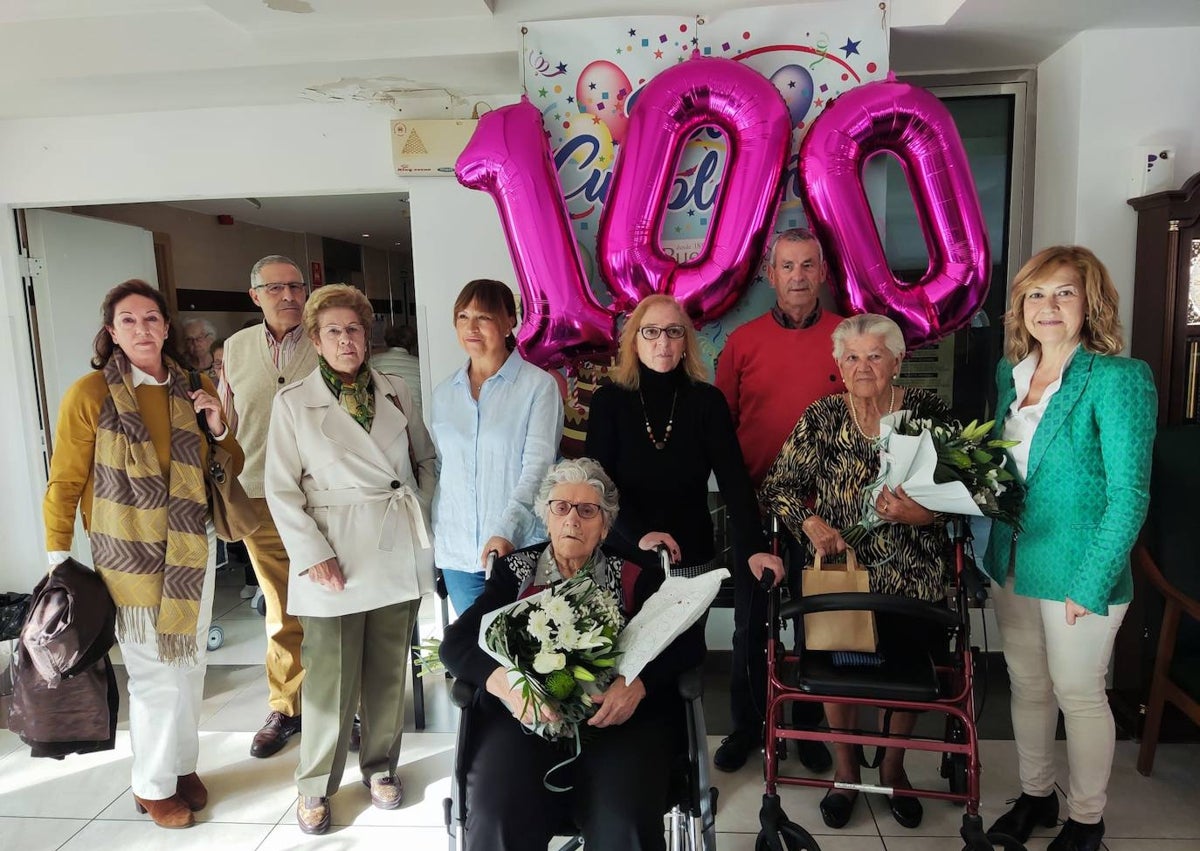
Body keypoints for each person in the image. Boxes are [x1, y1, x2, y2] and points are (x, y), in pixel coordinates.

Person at [43, 279, 243, 829]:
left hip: (190, 548)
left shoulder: (194, 384)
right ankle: (152, 785)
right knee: (154, 676)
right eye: (127, 320)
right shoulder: (90, 394)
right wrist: (58, 555)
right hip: (126, 558)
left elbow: (232, 461)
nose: (141, 329)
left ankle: (180, 766)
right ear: (111, 331)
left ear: (166, 326)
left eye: (151, 318)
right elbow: (64, 481)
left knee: (190, 665)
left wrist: (218, 423)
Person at [982, 246, 1156, 851]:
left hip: (1082, 570)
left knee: (1079, 693)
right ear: (1020, 307)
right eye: (1036, 294)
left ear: (1091, 304)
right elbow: (999, 474)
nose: (1048, 307)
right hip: (1011, 561)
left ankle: (1086, 820)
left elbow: (1130, 495)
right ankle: (1036, 795)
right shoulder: (1011, 375)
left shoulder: (1118, 378)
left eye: (1064, 293)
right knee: (1027, 686)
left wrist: (1093, 582)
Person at [439, 458, 705, 851]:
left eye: (587, 510)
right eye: (560, 507)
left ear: (606, 525)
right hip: (525, 719)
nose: (572, 520)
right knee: (497, 813)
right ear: (546, 516)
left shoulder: (633, 575)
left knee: (625, 822)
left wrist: (638, 684)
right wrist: (508, 686)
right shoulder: (516, 573)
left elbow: (687, 642)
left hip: (614, 721)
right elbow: (456, 643)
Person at [759, 313, 952, 831]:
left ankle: (892, 770)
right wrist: (811, 520)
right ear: (837, 365)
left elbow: (967, 493)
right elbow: (776, 487)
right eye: (851, 357)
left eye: (873, 355)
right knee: (838, 672)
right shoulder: (822, 417)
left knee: (907, 669)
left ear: (897, 359)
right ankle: (846, 774)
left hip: (914, 572)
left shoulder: (927, 413)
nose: (862, 366)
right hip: (841, 572)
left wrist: (925, 514)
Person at [265, 284, 436, 834]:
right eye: (334, 330)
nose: (346, 339)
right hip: (331, 554)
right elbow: (280, 490)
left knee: (387, 674)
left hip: (391, 550)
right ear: (315, 340)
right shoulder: (293, 403)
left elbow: (425, 460)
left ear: (368, 336)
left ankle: (381, 767)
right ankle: (314, 784)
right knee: (328, 682)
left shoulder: (395, 392)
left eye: (355, 329)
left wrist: (418, 515)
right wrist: (312, 554)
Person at [714, 227, 843, 773]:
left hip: (825, 515)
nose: (797, 277)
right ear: (771, 276)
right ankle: (748, 726)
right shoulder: (742, 342)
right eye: (787, 267)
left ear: (823, 273)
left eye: (807, 266)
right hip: (755, 511)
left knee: (820, 624)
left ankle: (808, 728)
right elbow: (720, 431)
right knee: (751, 627)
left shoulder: (846, 338)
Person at [585, 293, 782, 584]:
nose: (663, 342)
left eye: (674, 332)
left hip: (691, 558)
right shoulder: (608, 401)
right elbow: (598, 484)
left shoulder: (708, 402)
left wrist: (755, 547)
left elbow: (734, 481)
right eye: (651, 331)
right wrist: (640, 535)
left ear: (685, 343)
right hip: (625, 557)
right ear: (634, 343)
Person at [219, 254, 318, 758]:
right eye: (274, 288)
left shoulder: (326, 338)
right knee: (281, 609)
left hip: (322, 497)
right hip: (258, 494)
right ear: (255, 296)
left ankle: (345, 705)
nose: (288, 296)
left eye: (295, 286)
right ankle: (286, 706)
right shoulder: (235, 350)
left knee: (333, 604)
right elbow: (227, 426)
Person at [429, 279, 563, 615]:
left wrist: (506, 531)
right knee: (475, 659)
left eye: (484, 317)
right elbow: (441, 469)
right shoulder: (444, 394)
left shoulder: (537, 387)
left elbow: (538, 469)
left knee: (520, 657)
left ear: (509, 322)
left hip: (516, 549)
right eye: (462, 316)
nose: (471, 327)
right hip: (457, 553)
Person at [371, 322, 423, 421]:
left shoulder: (373, 362)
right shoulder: (420, 365)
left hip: (384, 422)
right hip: (415, 422)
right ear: (412, 343)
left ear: (387, 340)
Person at [183, 317, 218, 383]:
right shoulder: (180, 366)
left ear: (211, 339)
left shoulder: (222, 363)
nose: (195, 343)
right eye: (189, 339)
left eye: (199, 338)